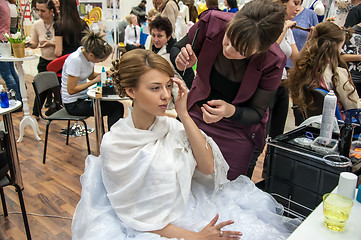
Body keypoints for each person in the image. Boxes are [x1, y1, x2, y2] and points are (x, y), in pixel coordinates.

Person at [71, 49, 299, 240]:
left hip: (192, 207)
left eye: (167, 86)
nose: (165, 96)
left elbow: (208, 167)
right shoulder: (117, 144)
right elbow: (136, 218)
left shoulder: (173, 127)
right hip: (154, 229)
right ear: (131, 91)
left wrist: (184, 115)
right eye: (155, 88)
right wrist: (197, 237)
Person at [171, 0, 287, 180]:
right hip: (195, 114)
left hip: (238, 131)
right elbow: (177, 48)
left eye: (240, 50)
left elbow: (257, 112)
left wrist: (230, 111)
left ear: (260, 50)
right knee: (180, 174)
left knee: (224, 188)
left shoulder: (273, 61)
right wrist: (181, 59)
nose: (228, 49)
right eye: (228, 38)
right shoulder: (212, 22)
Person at [247, 0, 301, 179]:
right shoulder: (269, 24)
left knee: (277, 138)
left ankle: (268, 179)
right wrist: (283, 28)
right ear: (284, 3)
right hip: (265, 88)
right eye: (296, 3)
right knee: (258, 139)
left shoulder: (290, 30)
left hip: (282, 86)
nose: (298, 8)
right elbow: (268, 52)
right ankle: (244, 181)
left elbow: (297, 58)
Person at [286, 21, 361, 116]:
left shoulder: (305, 69)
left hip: (311, 123)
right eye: (341, 47)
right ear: (334, 47)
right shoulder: (337, 74)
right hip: (335, 126)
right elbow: (354, 107)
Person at [61, 31, 123, 130]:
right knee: (116, 108)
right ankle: (112, 139)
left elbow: (90, 76)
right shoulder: (75, 60)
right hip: (73, 104)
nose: (101, 62)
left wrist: (104, 74)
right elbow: (71, 90)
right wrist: (95, 81)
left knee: (114, 103)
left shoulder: (87, 57)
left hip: (83, 97)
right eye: (101, 60)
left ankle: (112, 137)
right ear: (91, 55)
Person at [28, 0, 60, 118]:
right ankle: (36, 113)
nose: (40, 13)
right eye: (38, 10)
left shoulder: (59, 23)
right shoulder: (37, 25)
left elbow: (62, 45)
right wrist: (28, 44)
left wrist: (51, 44)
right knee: (41, 88)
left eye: (43, 10)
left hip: (58, 61)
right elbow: (34, 43)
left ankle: (61, 109)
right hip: (44, 60)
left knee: (59, 89)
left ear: (51, 11)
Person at [0, 0, 22, 102]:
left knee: (7, 75)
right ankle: (20, 99)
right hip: (6, 40)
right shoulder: (6, 4)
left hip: (1, 42)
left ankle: (16, 101)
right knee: (12, 72)